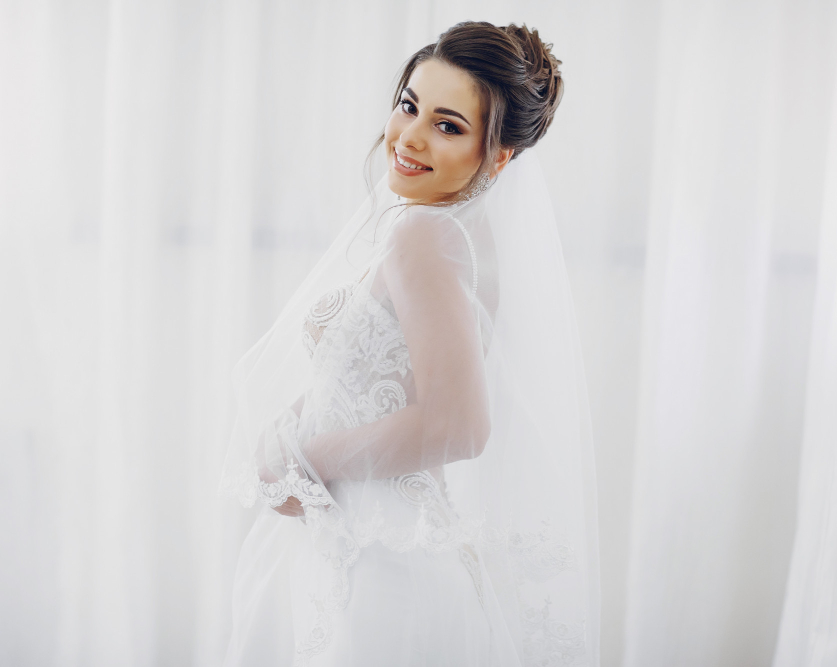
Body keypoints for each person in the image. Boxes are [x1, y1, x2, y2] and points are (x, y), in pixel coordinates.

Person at [219, 21, 599, 666]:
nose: (411, 137)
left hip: (377, 568)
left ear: (498, 155)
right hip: (366, 545)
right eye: (409, 106)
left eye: (448, 126)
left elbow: (457, 425)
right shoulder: (451, 238)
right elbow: (374, 383)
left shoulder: (425, 237)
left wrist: (304, 460)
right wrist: (284, 444)